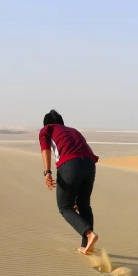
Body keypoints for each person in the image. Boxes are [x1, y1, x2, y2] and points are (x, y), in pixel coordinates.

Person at [38, 109, 100, 255]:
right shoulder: (73, 131)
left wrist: (47, 172)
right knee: (83, 204)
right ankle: (86, 245)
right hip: (90, 163)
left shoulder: (47, 129)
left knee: (64, 206)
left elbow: (45, 149)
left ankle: (89, 234)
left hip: (70, 163)